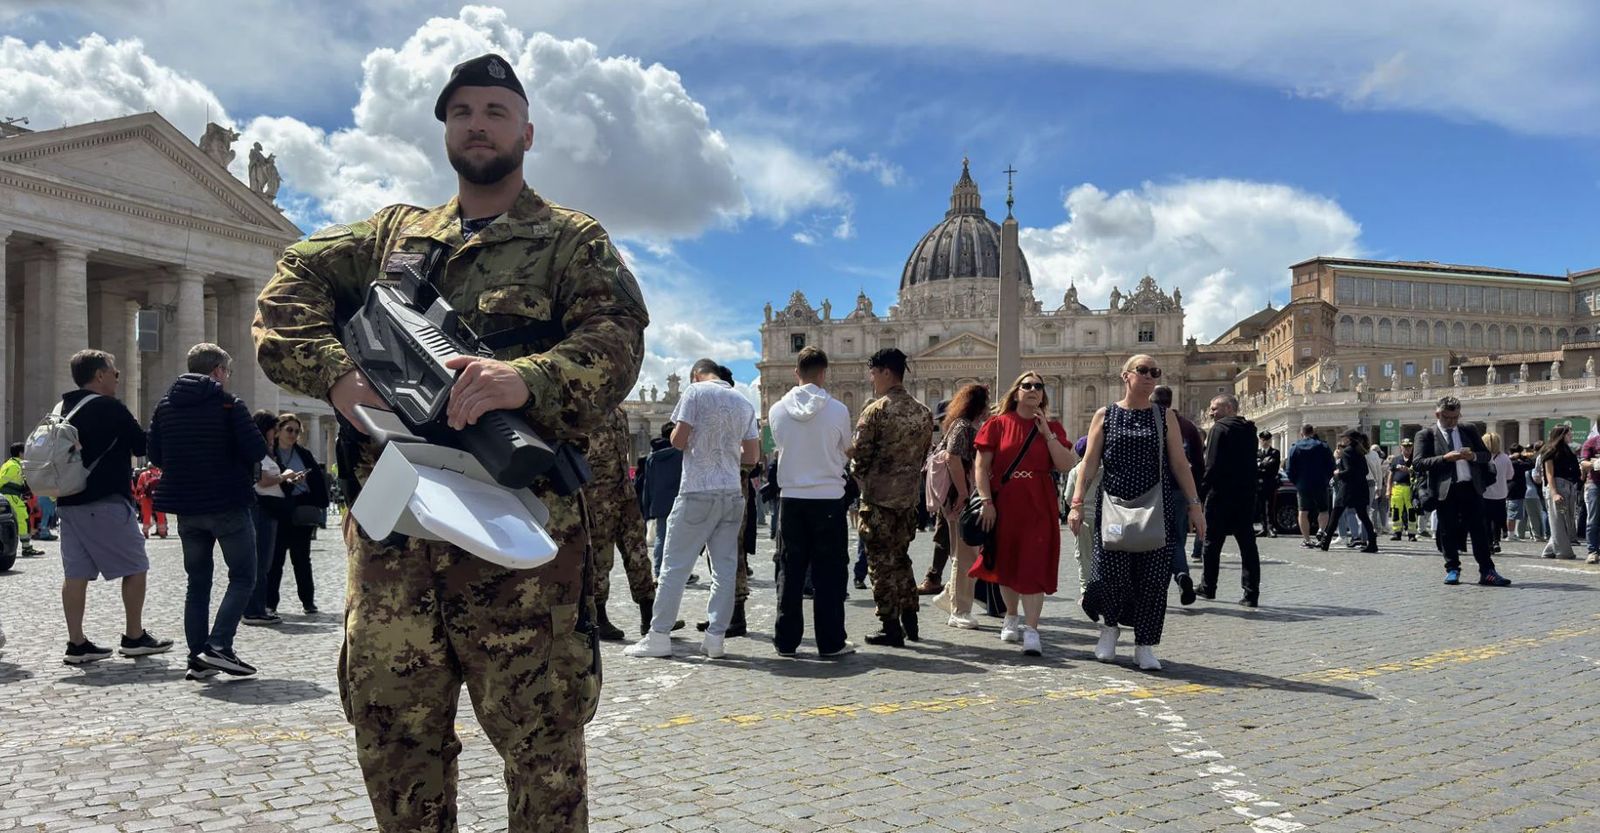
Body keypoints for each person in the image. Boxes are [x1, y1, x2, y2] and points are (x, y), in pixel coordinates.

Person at [255, 53, 646, 830]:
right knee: (394, 740)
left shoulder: (571, 240)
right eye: (462, 111)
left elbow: (617, 341)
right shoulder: (391, 236)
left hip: (519, 538)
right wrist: (335, 374)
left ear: (527, 133)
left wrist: (524, 379)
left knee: (543, 752)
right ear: (445, 130)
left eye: (496, 111)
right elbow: (288, 285)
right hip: (396, 540)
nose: (477, 124)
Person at [1071, 355, 1204, 671]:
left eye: (1154, 372)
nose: (1149, 376)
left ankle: (1145, 644)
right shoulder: (1105, 415)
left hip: (1155, 506)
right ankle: (1109, 629)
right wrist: (1076, 504)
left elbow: (1179, 464)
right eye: (1142, 371)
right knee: (1111, 574)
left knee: (1153, 578)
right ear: (1126, 376)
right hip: (1114, 505)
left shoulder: (1164, 417)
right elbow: (1089, 463)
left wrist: (1195, 505)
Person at [148, 343, 270, 679]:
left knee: (197, 583)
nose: (227, 377)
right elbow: (257, 449)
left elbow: (154, 454)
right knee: (243, 576)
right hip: (227, 501)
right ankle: (218, 646)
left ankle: (197, 659)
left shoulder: (165, 407)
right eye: (227, 371)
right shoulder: (229, 404)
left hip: (187, 507)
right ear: (217, 370)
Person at [627, 358, 757, 660]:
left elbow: (679, 441)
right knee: (725, 569)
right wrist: (726, 452)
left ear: (695, 376)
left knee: (674, 567)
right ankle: (715, 639)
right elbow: (751, 455)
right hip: (731, 493)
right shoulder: (743, 401)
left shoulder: (695, 393)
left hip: (698, 490)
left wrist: (689, 439)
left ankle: (659, 636)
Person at [53, 349, 173, 664]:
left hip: (68, 501)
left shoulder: (62, 407)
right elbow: (141, 445)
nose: (118, 378)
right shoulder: (110, 407)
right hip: (104, 500)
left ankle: (76, 642)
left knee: (75, 573)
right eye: (115, 373)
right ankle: (134, 636)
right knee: (136, 565)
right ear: (100, 375)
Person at [972, 372, 1076, 655]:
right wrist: (986, 501)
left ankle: (1032, 629)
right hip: (1005, 502)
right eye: (1026, 385)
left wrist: (1048, 435)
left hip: (1039, 502)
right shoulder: (997, 424)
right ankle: (1010, 615)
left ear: (1043, 394)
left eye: (1038, 386)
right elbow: (981, 467)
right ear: (1016, 392)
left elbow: (1066, 465)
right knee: (1007, 562)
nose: (1033, 390)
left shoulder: (1052, 427)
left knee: (1034, 564)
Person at [768, 346, 854, 657]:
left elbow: (780, 445)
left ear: (797, 373)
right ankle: (831, 643)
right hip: (828, 498)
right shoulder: (838, 410)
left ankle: (786, 641)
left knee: (790, 570)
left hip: (791, 498)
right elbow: (846, 448)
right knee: (829, 572)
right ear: (823, 373)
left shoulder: (777, 410)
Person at [848, 348, 934, 648]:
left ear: (886, 372)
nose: (871, 379)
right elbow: (923, 455)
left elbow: (859, 457)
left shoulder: (876, 410)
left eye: (873, 373)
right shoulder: (923, 412)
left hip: (879, 500)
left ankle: (890, 626)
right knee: (900, 558)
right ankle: (911, 620)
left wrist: (860, 476)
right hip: (908, 500)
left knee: (880, 564)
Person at [1412, 396, 1512, 586]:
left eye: (1455, 417)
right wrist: (1445, 458)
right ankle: (1452, 569)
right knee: (1447, 531)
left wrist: (1472, 456)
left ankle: (1487, 571)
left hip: (1470, 487)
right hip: (1445, 490)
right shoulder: (1426, 435)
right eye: (1447, 418)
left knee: (1479, 531)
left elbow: (1485, 455)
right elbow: (1418, 463)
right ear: (1437, 414)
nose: (1452, 422)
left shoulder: (1469, 429)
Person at [585, 407, 660, 640]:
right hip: (597, 497)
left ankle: (649, 616)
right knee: (601, 559)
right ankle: (599, 618)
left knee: (638, 554)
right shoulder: (586, 412)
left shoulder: (619, 412)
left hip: (625, 494)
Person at [930, 384, 988, 628]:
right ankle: (960, 610)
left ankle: (948, 596)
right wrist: (964, 493)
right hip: (960, 497)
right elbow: (953, 458)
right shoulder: (963, 427)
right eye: (985, 403)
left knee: (962, 553)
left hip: (960, 497)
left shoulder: (962, 425)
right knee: (965, 554)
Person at [1197, 394, 1261, 606]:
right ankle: (1251, 593)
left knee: (1212, 543)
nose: (1211, 413)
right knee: (1248, 545)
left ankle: (1208, 586)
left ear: (1228, 408)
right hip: (1245, 495)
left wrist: (1200, 494)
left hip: (1221, 495)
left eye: (1214, 408)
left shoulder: (1219, 429)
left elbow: (1212, 465)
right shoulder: (1250, 430)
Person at [264, 414, 329, 616]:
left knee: (302, 559)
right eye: (289, 430)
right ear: (278, 431)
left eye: (296, 431)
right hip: (280, 509)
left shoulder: (304, 454)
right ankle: (270, 602)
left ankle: (308, 601)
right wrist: (288, 480)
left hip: (302, 509)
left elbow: (317, 480)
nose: (293, 434)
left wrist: (316, 499)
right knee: (276, 559)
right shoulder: (270, 454)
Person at [242, 409, 294, 627]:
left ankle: (258, 607)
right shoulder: (257, 452)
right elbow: (262, 481)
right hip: (261, 509)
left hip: (270, 510)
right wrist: (284, 476)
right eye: (274, 429)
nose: (276, 434)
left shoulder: (266, 452)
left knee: (265, 561)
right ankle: (253, 610)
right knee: (261, 561)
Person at [1151, 385, 1200, 599]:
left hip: (1152, 490)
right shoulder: (1187, 426)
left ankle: (1156, 589)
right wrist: (1195, 498)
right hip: (1180, 490)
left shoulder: (1148, 422)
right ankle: (1181, 574)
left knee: (1151, 539)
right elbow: (1198, 464)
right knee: (1176, 537)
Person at [640, 422, 687, 579]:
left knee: (661, 536)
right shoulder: (680, 454)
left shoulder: (652, 457)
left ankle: (659, 570)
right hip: (678, 500)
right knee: (679, 539)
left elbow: (647, 483)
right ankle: (679, 572)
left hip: (659, 502)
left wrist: (647, 506)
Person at [1319, 430, 1377, 553]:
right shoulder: (1360, 451)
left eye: (1344, 437)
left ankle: (1325, 542)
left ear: (1349, 439)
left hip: (1348, 489)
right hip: (1361, 488)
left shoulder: (1347, 452)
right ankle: (1373, 543)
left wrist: (1338, 474)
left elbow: (1350, 471)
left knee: (1335, 515)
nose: (1342, 440)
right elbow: (1365, 471)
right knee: (1363, 516)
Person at [1285, 425, 1335, 548]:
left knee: (1303, 511)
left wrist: (1296, 482)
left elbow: (1289, 468)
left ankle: (1307, 540)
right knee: (1323, 510)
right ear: (1313, 432)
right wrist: (1326, 479)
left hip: (1303, 484)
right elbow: (1331, 465)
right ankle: (1321, 531)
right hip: (1320, 483)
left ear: (1301, 434)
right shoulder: (1323, 446)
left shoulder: (1295, 447)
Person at [1539, 423, 1582, 560]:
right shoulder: (1550, 450)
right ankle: (1564, 552)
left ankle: (1549, 550)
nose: (1571, 436)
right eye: (1569, 434)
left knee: (1567, 521)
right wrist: (1554, 493)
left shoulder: (1568, 451)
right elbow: (1549, 473)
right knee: (1558, 520)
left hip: (1569, 487)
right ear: (1562, 435)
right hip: (1557, 486)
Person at [0, 444, 44, 557]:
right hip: (11, 497)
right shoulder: (15, 466)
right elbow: (3, 480)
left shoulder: (10, 464)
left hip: (11, 496)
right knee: (22, 519)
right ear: (20, 453)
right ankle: (26, 548)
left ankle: (25, 546)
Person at [1482, 432, 1514, 555]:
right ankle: (1496, 541)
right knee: (1497, 519)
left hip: (1485, 493)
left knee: (1486, 519)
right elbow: (1510, 475)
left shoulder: (1482, 457)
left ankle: (1489, 543)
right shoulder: (1505, 457)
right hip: (1501, 492)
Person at [1386, 439, 1419, 541]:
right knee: (1396, 510)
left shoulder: (1415, 459)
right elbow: (1391, 475)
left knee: (1411, 511)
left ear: (1412, 447)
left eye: (1409, 446)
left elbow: (1419, 474)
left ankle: (1412, 534)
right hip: (1397, 488)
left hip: (1410, 488)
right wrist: (1388, 489)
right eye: (1405, 447)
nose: (1407, 449)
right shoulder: (1396, 459)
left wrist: (1409, 471)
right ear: (1401, 447)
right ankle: (1397, 533)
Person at [1579, 421, 1600, 559]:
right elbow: (1583, 462)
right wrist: (1595, 463)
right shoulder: (1591, 442)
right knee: (1593, 518)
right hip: (1595, 484)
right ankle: (1592, 551)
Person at [1255, 431, 1281, 537]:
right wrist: (1263, 465)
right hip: (1259, 484)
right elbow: (1254, 468)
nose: (1265, 442)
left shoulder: (1275, 452)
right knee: (1261, 506)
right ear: (1260, 440)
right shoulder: (1256, 453)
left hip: (1270, 483)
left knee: (1270, 506)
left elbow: (1273, 468)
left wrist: (1260, 465)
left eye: (1267, 439)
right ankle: (1264, 527)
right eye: (1263, 440)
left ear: (1270, 440)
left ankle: (1271, 527)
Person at [134, 465, 168, 538]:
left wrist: (137, 497)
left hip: (146, 497)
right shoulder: (160, 474)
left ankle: (145, 531)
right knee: (161, 515)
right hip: (159, 497)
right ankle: (162, 532)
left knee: (146, 515)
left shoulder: (143, 475)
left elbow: (139, 487)